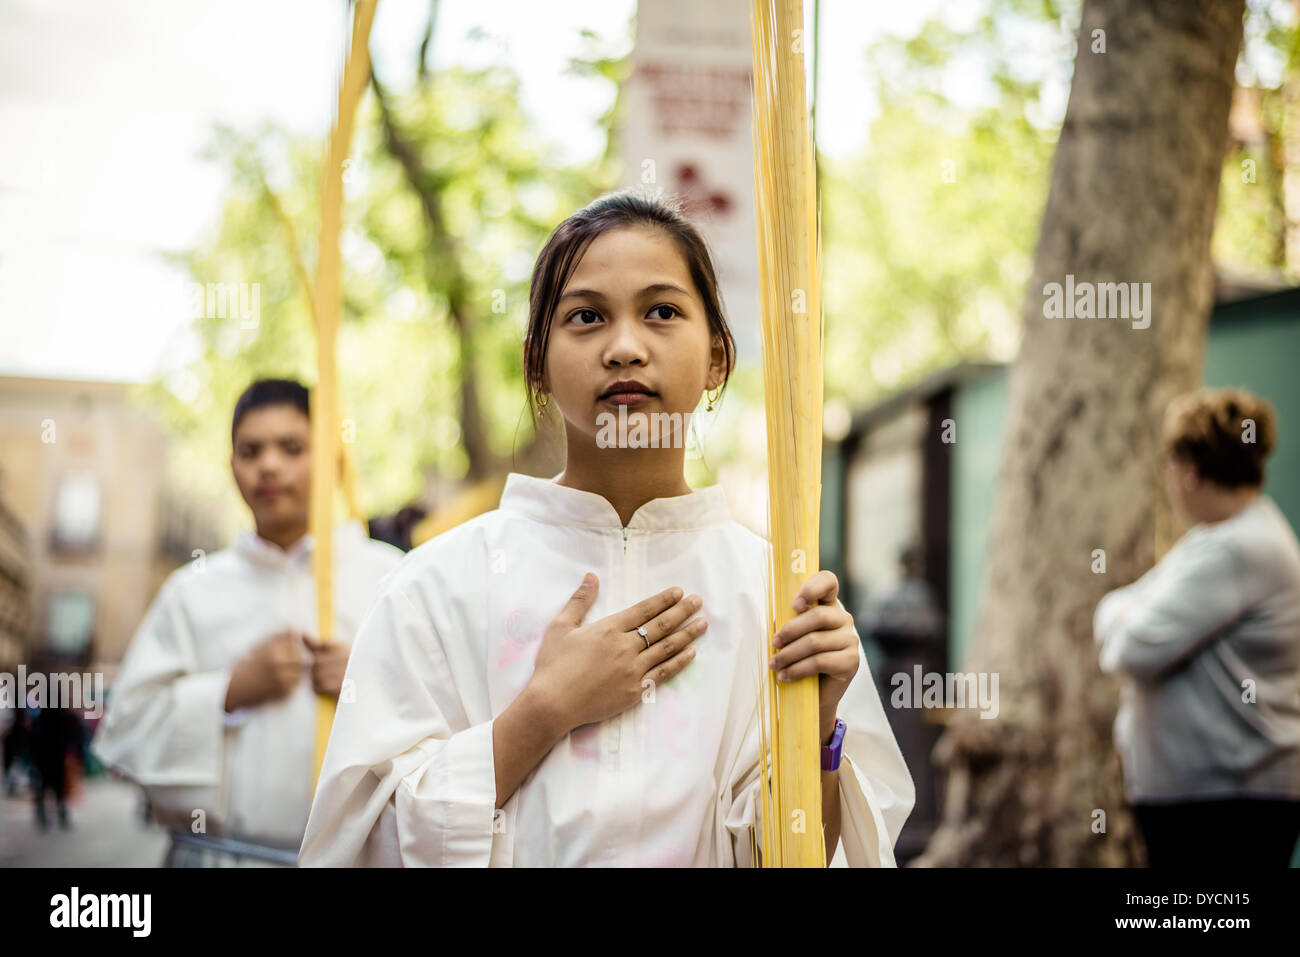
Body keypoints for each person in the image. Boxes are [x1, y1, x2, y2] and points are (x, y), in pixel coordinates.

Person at [299, 191, 915, 867]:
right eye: (587, 316)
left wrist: (817, 727)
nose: (625, 347)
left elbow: (797, 856)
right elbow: (358, 844)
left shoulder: (776, 599)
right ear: (537, 361)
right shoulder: (435, 587)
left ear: (716, 357)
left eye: (661, 311)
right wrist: (541, 712)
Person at [92, 378, 403, 866]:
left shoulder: (390, 579)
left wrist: (371, 684)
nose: (270, 465)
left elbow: (450, 726)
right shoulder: (190, 591)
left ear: (331, 459)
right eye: (251, 451)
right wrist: (228, 692)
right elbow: (124, 735)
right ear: (231, 466)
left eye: (292, 448)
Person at [1094, 387, 1300, 867]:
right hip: (1213, 794)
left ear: (1188, 469)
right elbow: (1114, 606)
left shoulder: (1237, 549)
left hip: (1226, 800)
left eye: (1170, 465)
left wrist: (1124, 618)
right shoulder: (1217, 542)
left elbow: (1133, 647)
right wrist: (1122, 615)